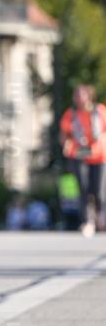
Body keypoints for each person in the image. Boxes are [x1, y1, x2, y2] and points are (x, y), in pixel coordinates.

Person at [59, 84, 106, 237]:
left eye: (82, 94)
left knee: (98, 190)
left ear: (89, 95)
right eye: (76, 95)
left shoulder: (100, 111)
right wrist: (66, 143)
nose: (79, 98)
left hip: (99, 154)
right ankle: (87, 221)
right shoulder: (71, 114)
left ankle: (100, 217)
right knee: (83, 188)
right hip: (79, 153)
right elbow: (64, 133)